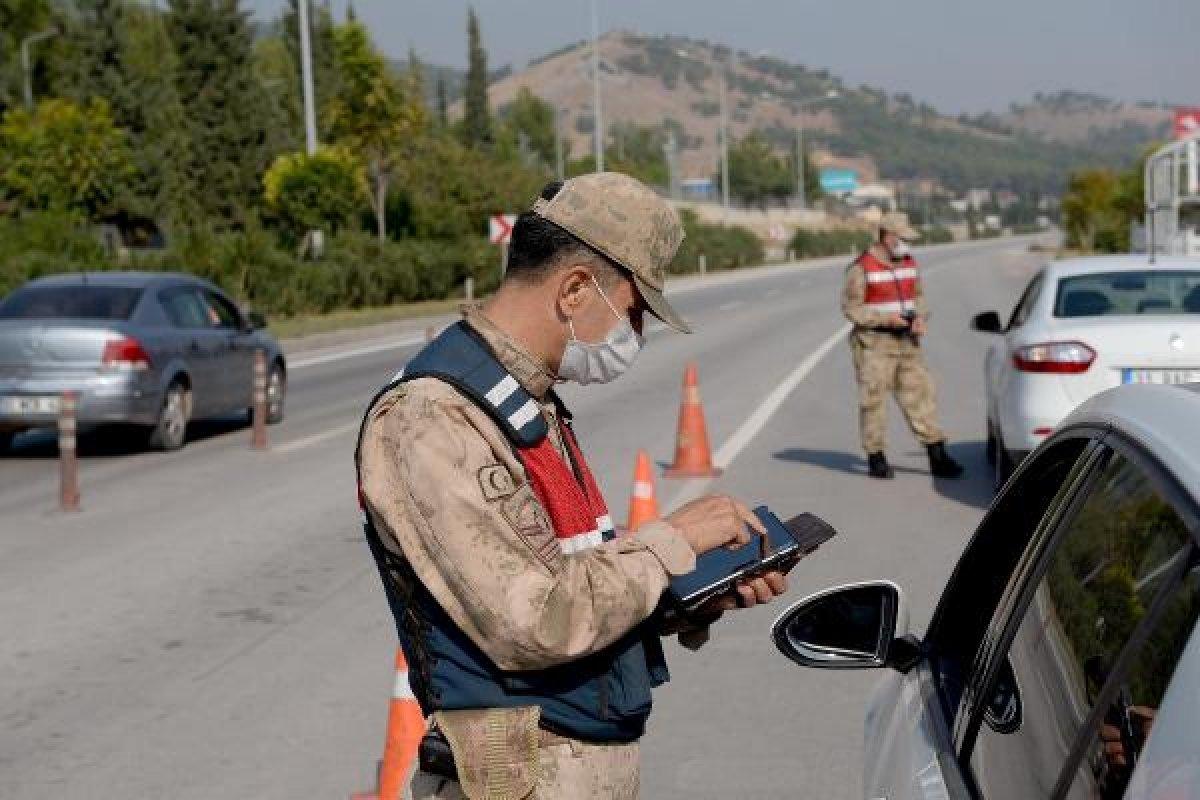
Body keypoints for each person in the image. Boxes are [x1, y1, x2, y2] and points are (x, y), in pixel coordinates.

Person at [356, 173, 789, 799]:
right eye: (634, 311)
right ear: (577, 289)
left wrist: (692, 590)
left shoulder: (527, 403)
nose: (635, 336)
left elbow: (579, 589)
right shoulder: (432, 420)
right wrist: (668, 541)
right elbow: (536, 622)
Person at [840, 213, 964, 480]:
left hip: (908, 341)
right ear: (888, 236)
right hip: (874, 343)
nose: (907, 244)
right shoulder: (862, 268)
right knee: (873, 401)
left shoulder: (909, 263)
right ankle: (876, 457)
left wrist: (920, 318)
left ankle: (937, 455)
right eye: (903, 238)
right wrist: (885, 319)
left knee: (921, 396)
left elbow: (918, 296)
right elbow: (852, 308)